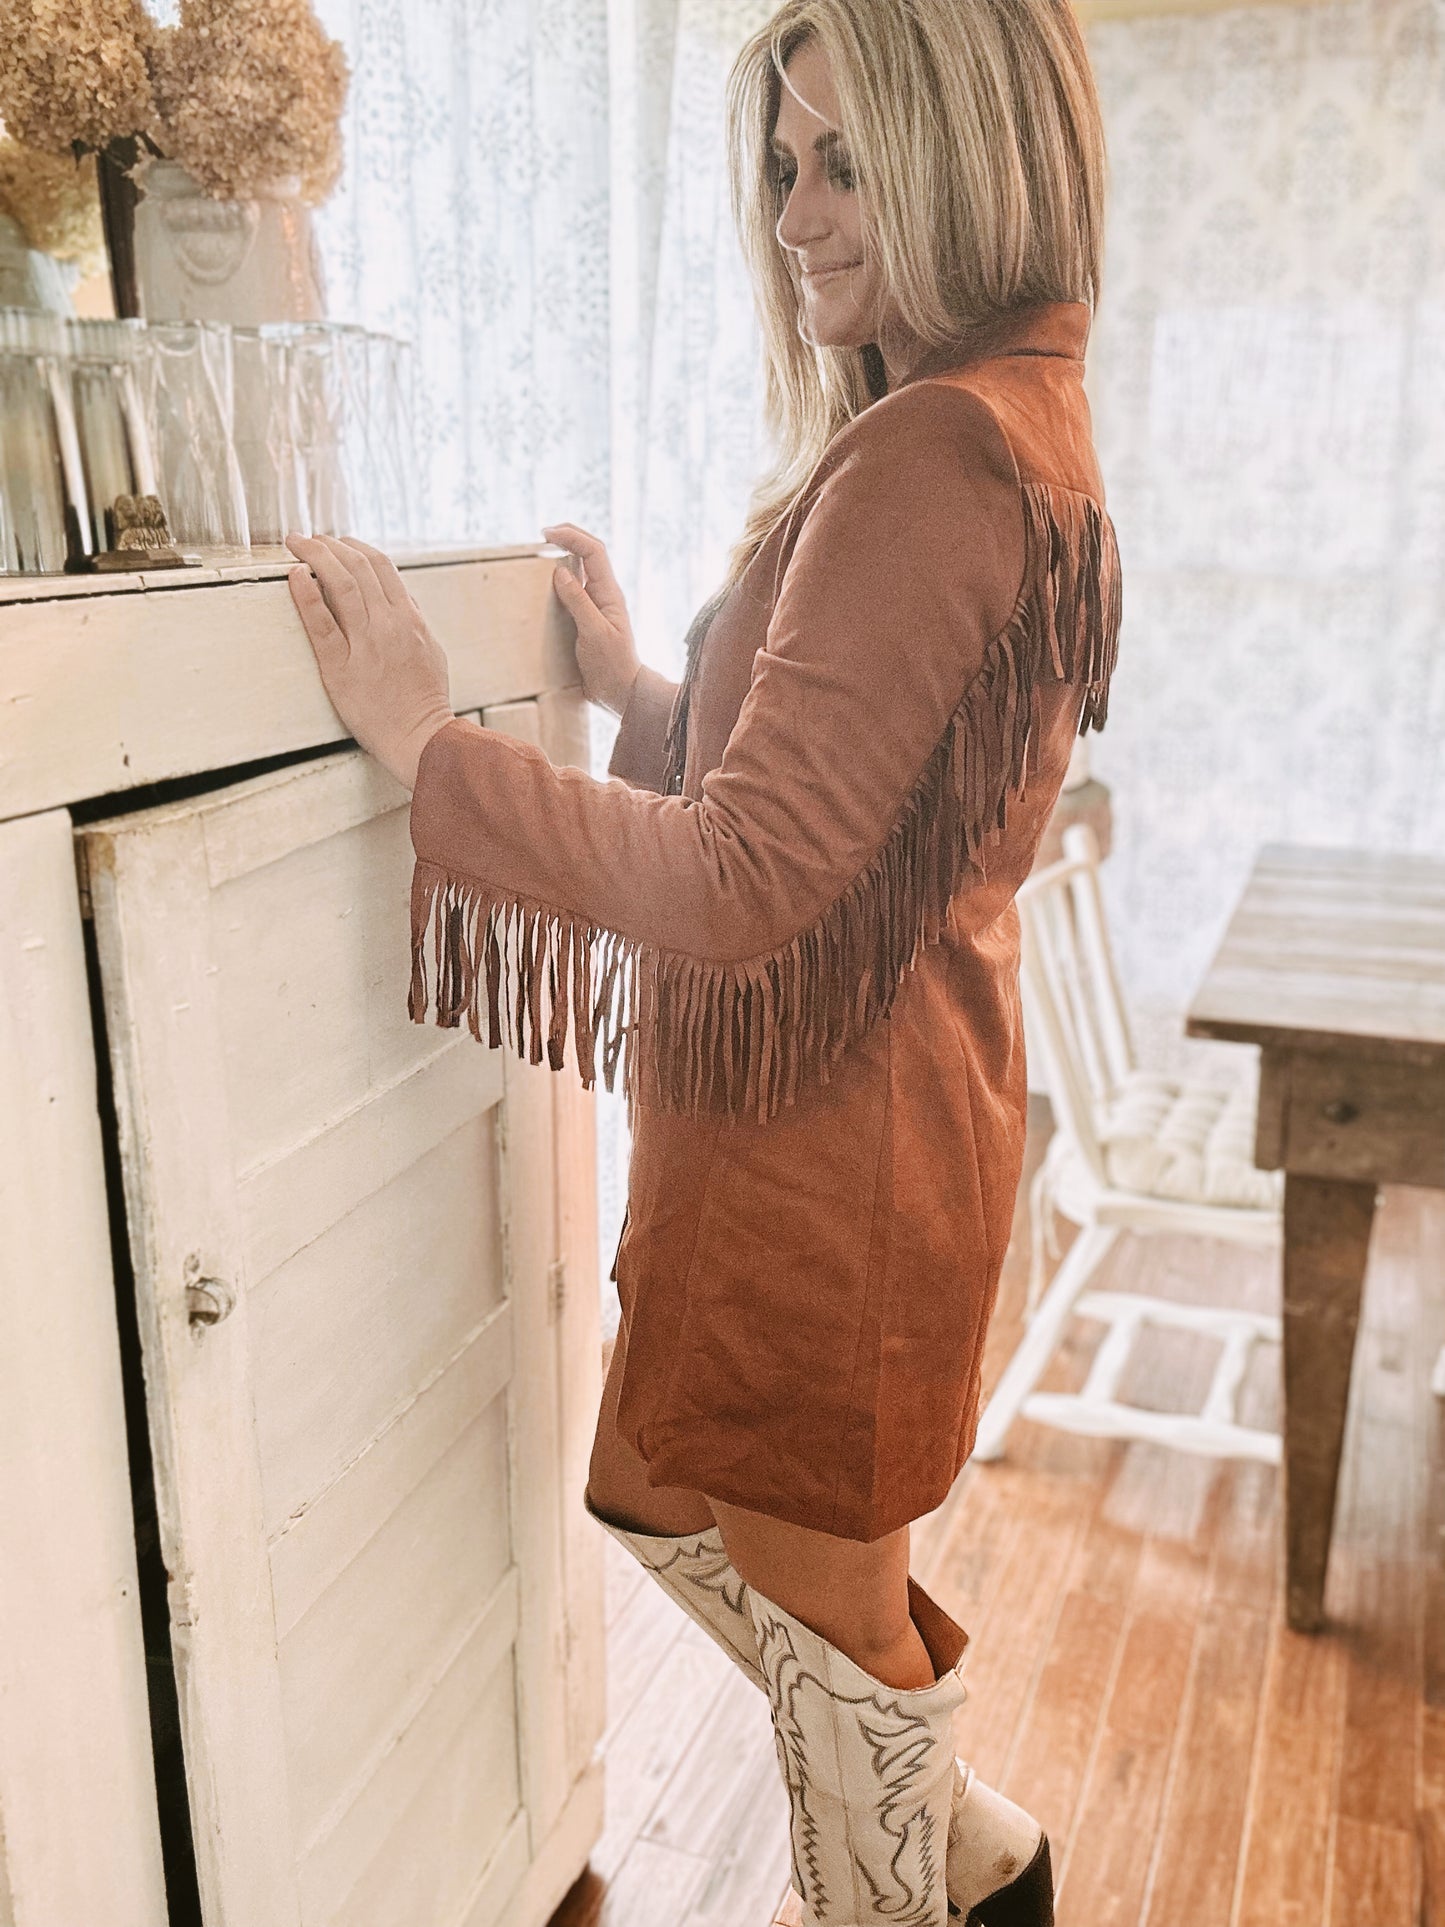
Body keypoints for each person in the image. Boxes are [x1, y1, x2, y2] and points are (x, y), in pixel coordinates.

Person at [286, 1, 1119, 1919]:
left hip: (840, 1171)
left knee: (833, 1667)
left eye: (844, 163)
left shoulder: (936, 450)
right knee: (647, 1497)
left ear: (971, 159)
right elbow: (855, 808)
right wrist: (639, 688)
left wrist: (435, 745)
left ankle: (920, 1877)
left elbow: (752, 877)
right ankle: (965, 1846)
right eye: (778, 164)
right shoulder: (1013, 421)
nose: (795, 216)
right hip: (835, 1131)